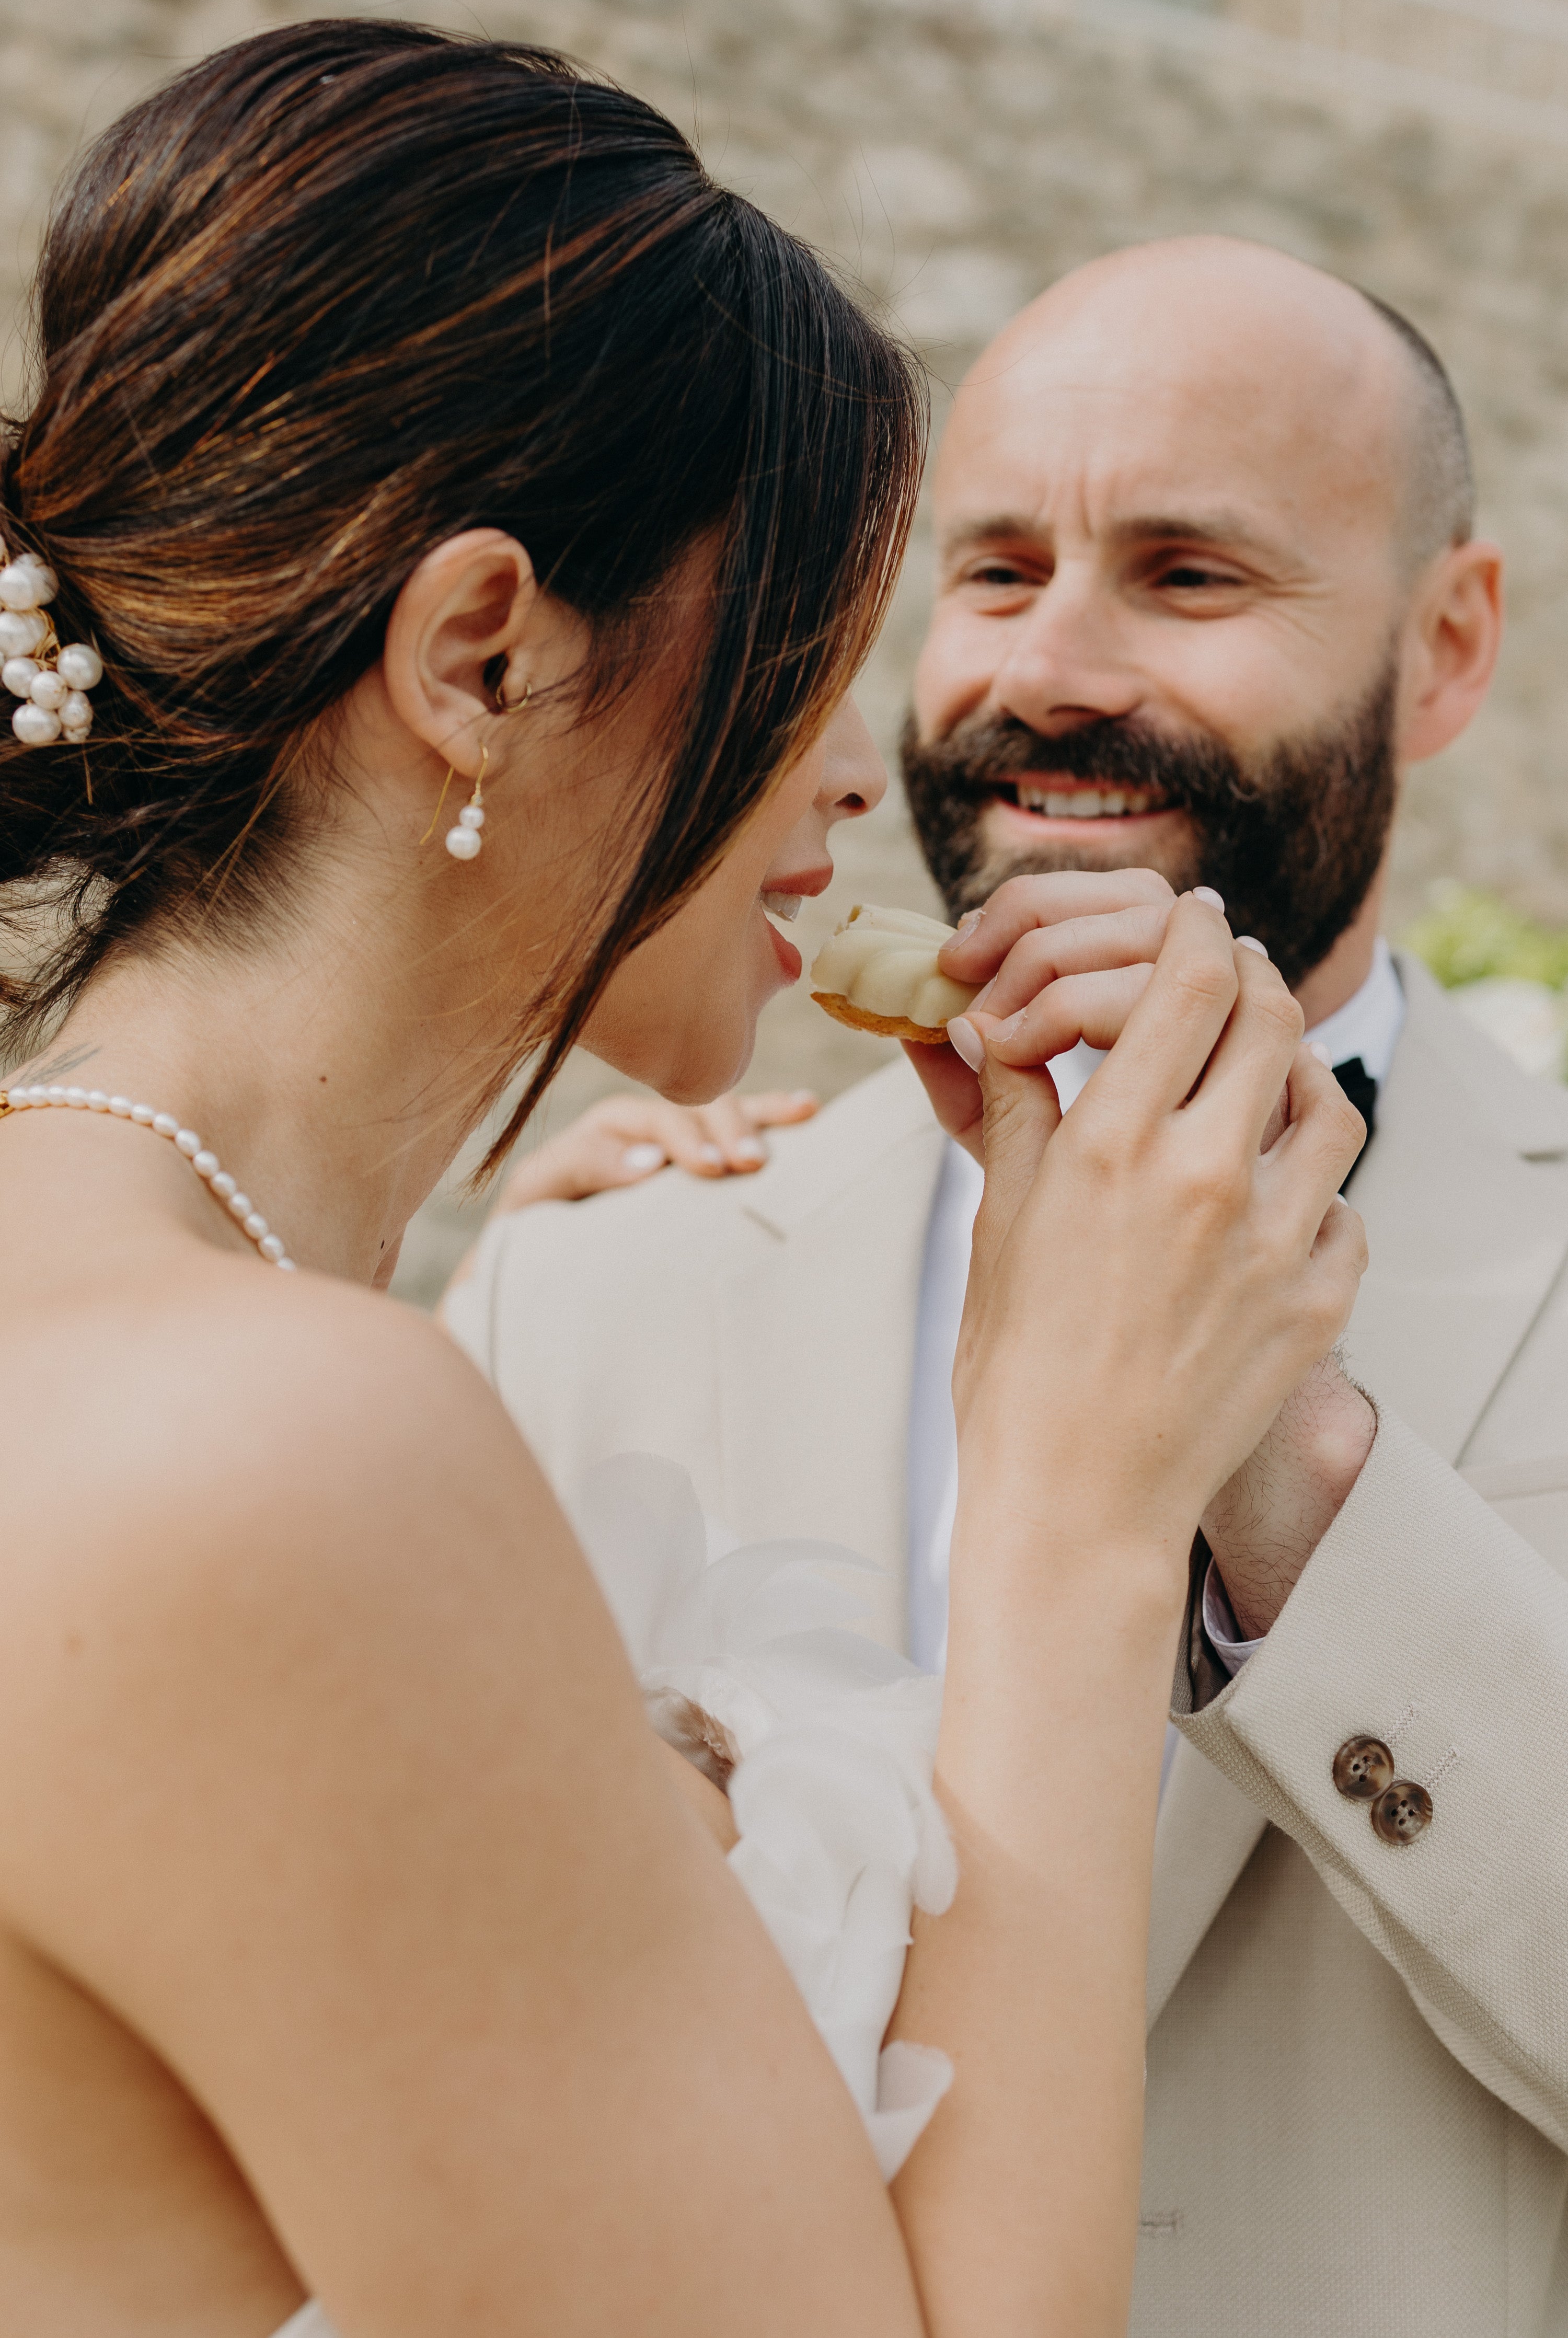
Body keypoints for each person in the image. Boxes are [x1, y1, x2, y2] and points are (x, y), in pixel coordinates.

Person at [0, 34, 1365, 2338]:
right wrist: (1080, 1491)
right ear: (485, 656)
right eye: (805, 636)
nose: (854, 777)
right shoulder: (265, 1444)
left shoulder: (169, 1321)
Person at [449, 238, 1568, 2335]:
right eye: (993, 570)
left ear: (1447, 646)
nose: (1050, 670)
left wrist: (1299, 1477)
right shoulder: (587, 1284)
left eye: (1189, 574)